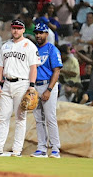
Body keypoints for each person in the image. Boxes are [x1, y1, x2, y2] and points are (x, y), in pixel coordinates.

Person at [0, 19, 40, 157]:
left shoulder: (29, 46)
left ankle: (17, 150)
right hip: (7, 84)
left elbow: (34, 68)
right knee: (3, 117)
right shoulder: (5, 46)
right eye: (14, 28)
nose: (16, 30)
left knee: (20, 118)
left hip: (22, 83)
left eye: (19, 28)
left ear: (23, 30)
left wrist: (31, 86)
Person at [29, 23, 62, 158]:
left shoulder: (52, 49)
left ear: (47, 34)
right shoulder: (33, 49)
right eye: (37, 32)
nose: (38, 35)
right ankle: (42, 148)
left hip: (48, 85)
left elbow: (57, 71)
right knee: (38, 119)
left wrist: (49, 89)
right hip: (35, 86)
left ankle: (55, 149)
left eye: (41, 33)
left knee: (50, 118)